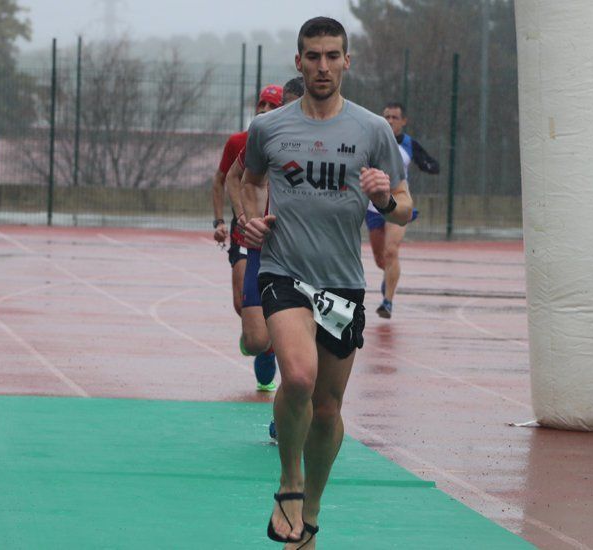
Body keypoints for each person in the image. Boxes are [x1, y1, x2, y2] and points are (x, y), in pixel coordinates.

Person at [241, 17, 413, 548]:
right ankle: (289, 483)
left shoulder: (372, 131)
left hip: (342, 284)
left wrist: (384, 199)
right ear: (298, 62)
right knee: (296, 376)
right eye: (312, 56)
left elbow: (405, 209)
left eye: (331, 56)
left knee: (328, 408)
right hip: (283, 271)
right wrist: (250, 221)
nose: (322, 66)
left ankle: (310, 510)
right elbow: (248, 183)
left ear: (346, 61)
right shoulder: (268, 129)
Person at [226, 77, 306, 397]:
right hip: (264, 248)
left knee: (302, 349)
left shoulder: (333, 141)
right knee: (259, 339)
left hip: (310, 255)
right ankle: (263, 346)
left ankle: (285, 415)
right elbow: (235, 177)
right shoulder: (269, 133)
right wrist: (244, 216)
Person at [210, 84, 284, 390]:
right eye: (261, 104)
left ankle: (270, 347)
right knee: (244, 306)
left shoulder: (293, 141)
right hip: (246, 235)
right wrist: (223, 220)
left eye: (272, 106)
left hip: (281, 241)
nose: (264, 110)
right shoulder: (240, 142)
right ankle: (260, 342)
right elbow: (223, 179)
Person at [366, 101, 439, 319]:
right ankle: (388, 277)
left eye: (394, 118)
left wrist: (426, 166)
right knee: (381, 259)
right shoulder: (372, 141)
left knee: (391, 251)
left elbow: (433, 165)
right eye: (386, 117)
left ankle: (387, 302)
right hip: (373, 207)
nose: (389, 121)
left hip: (398, 204)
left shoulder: (409, 144)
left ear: (403, 121)